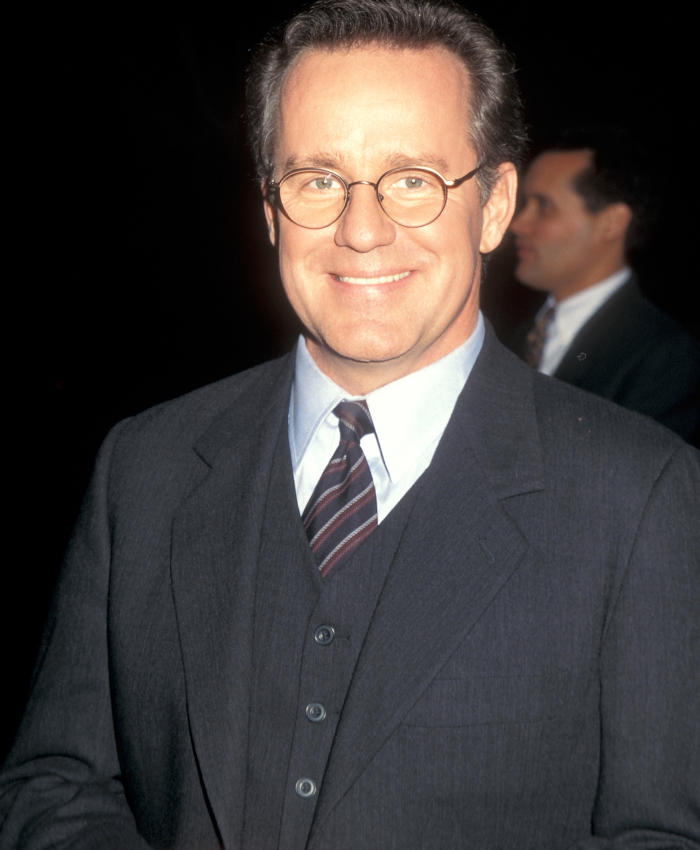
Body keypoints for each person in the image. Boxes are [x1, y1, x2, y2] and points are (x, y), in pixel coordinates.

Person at [1, 2, 698, 848]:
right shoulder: (143, 467)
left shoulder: (642, 495)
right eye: (318, 180)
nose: (361, 231)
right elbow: (57, 783)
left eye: (412, 180)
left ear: (492, 206)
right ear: (269, 210)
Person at [509, 127, 700, 440]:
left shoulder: (664, 358)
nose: (518, 223)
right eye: (524, 204)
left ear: (611, 223)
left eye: (543, 205)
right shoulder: (510, 337)